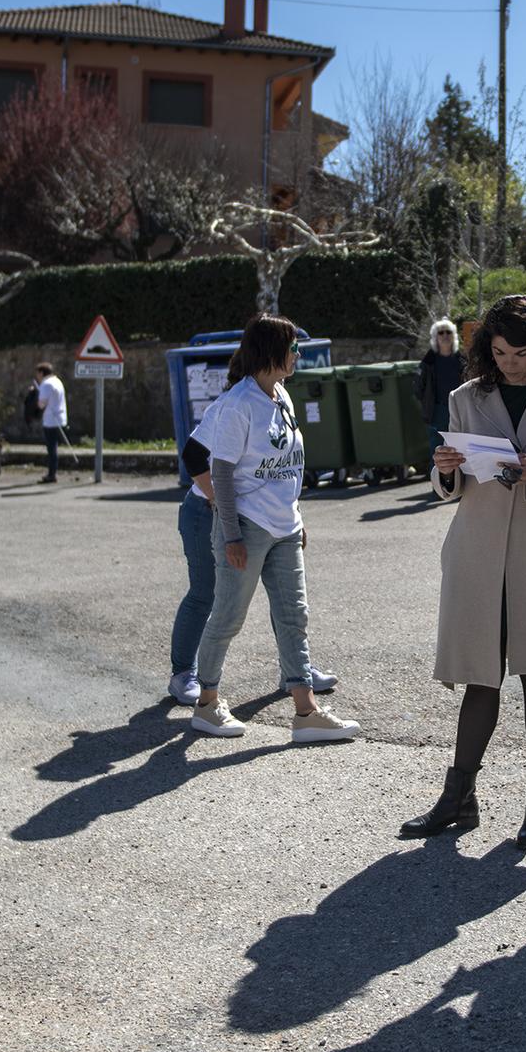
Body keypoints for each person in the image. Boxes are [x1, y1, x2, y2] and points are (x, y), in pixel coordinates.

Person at [401, 296, 526, 850]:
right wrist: (444, 470)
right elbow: (452, 487)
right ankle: (458, 797)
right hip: (477, 554)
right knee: (480, 677)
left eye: (521, 353)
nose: (510, 363)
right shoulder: (465, 397)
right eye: (501, 352)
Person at [189, 315, 358, 744]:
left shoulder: (281, 395)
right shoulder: (239, 403)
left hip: (284, 527)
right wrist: (231, 535)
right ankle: (206, 703)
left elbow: (289, 467)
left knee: (293, 617)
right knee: (228, 617)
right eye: (293, 348)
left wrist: (296, 516)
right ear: (272, 351)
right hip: (246, 527)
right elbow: (221, 473)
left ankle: (306, 712)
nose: (298, 355)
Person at [170, 416, 341, 705]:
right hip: (206, 511)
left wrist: (294, 516)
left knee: (284, 596)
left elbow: (281, 468)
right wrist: (218, 502)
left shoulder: (278, 402)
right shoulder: (231, 406)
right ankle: (183, 674)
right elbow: (193, 455)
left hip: (263, 515)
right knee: (205, 593)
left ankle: (294, 672)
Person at [415, 318, 465, 451]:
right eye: (441, 332)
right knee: (437, 448)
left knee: (460, 447)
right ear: (435, 337)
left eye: (448, 332)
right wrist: (428, 404)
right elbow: (418, 387)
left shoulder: (462, 360)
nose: (445, 335)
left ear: (454, 336)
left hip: (460, 409)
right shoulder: (428, 361)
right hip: (437, 411)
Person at [34, 362, 68, 483]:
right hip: (60, 418)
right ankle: (52, 473)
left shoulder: (46, 384)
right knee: (54, 447)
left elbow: (41, 404)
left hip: (50, 420)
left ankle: (51, 474)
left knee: (51, 449)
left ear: (41, 373)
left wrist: (34, 397)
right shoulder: (57, 381)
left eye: (38, 374)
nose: (37, 376)